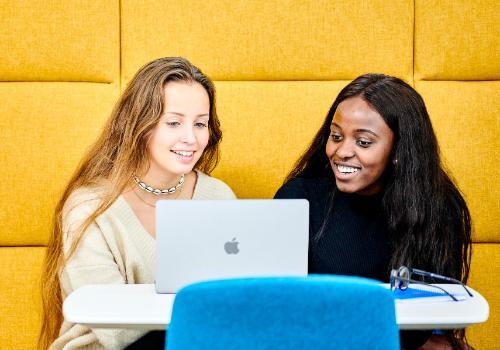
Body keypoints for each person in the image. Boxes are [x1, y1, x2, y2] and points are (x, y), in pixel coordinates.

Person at [39, 57, 236, 350]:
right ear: (140, 126)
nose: (190, 138)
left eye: (200, 124)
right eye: (173, 123)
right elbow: (114, 329)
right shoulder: (89, 207)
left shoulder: (218, 197)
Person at [274, 74, 472, 350]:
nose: (342, 151)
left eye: (363, 142)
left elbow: (434, 323)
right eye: (336, 136)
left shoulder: (438, 205)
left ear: (398, 150)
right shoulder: (299, 198)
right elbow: (278, 307)